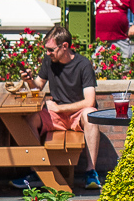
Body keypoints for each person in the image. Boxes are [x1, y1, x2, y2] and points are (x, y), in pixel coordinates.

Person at [23, 24, 101, 190]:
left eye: (51, 49)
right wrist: (29, 80)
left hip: (75, 116)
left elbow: (90, 101)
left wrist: (59, 109)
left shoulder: (83, 65)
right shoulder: (49, 61)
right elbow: (38, 86)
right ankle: (36, 170)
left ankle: (91, 171)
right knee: (31, 119)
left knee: (91, 114)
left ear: (64, 46)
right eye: (46, 50)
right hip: (55, 117)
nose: (47, 53)